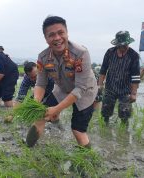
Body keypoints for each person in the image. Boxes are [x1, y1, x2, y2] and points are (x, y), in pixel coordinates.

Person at [25, 16, 98, 148]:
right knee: (40, 116)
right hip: (62, 89)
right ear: (46, 39)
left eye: (60, 32)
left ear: (67, 33)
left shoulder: (81, 53)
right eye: (51, 35)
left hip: (85, 92)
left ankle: (87, 161)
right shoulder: (43, 57)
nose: (57, 38)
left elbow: (80, 88)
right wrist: (36, 102)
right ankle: (28, 149)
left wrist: (56, 109)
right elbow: (41, 83)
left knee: (78, 130)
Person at [98, 31, 140, 125]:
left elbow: (135, 77)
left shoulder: (133, 55)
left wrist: (133, 93)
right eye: (120, 45)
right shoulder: (110, 52)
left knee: (125, 114)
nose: (122, 47)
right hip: (110, 87)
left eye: (124, 45)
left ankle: (124, 133)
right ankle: (105, 128)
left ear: (128, 43)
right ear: (117, 44)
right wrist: (100, 85)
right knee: (105, 113)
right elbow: (103, 70)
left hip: (125, 89)